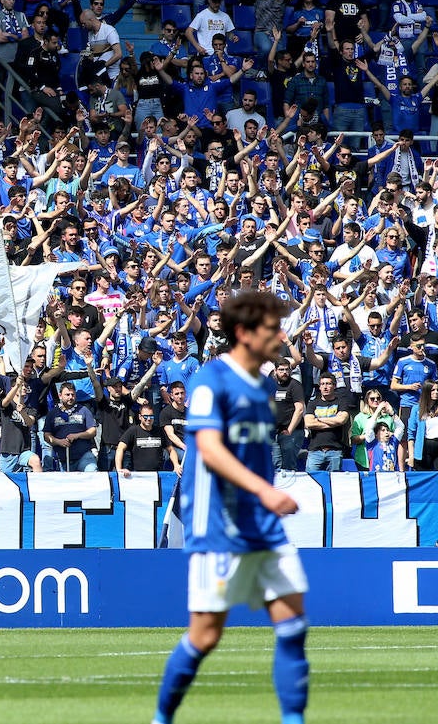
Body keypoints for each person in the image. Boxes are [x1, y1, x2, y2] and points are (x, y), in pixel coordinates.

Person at [154, 291, 307, 724]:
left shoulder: (264, 384)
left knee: (293, 624)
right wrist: (265, 491)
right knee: (205, 636)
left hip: (261, 525)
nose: (280, 335)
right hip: (218, 524)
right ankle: (161, 718)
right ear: (243, 333)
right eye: (271, 329)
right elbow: (209, 447)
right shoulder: (211, 380)